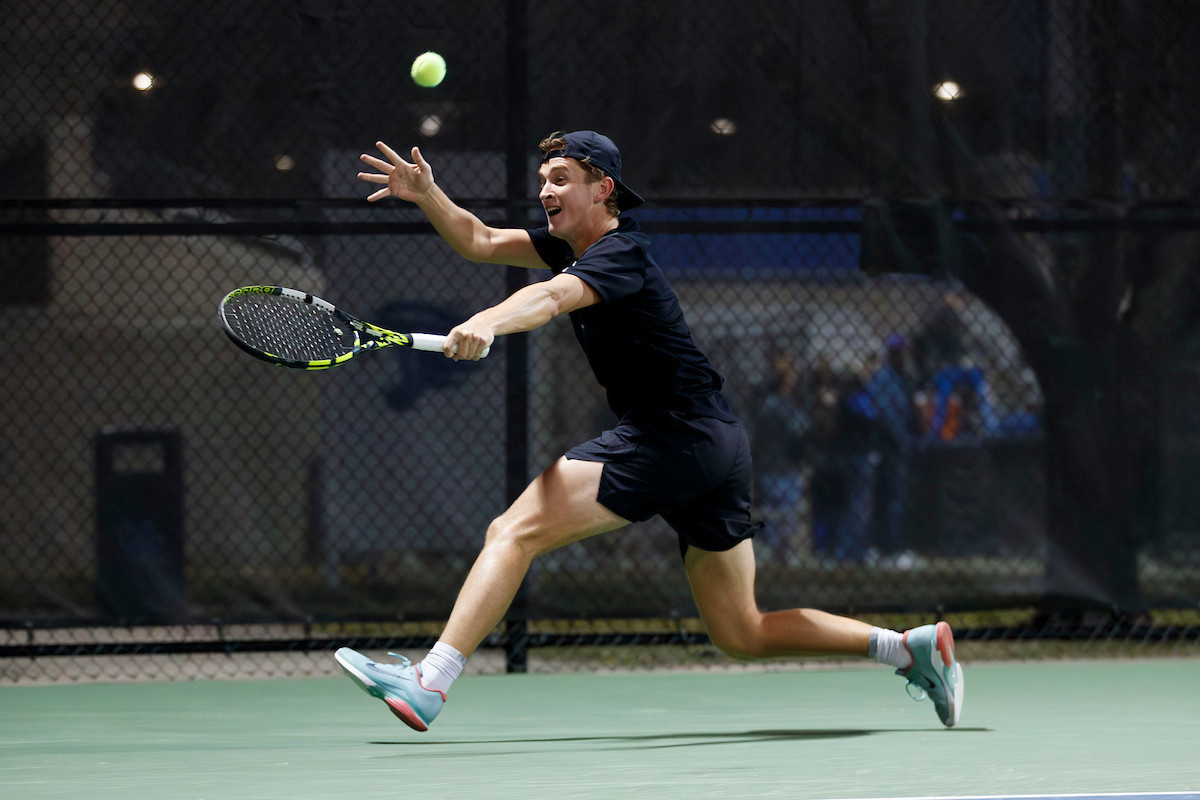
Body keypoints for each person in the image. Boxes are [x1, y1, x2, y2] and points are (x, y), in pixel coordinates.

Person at [333, 131, 964, 730]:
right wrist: (428, 194)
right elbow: (480, 239)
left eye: (561, 179)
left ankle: (432, 679)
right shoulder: (573, 249)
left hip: (672, 435)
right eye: (543, 179)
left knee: (513, 530)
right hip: (714, 442)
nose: (545, 190)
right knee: (741, 630)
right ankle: (906, 648)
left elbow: (549, 300)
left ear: (602, 189)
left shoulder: (619, 254)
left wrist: (487, 322)